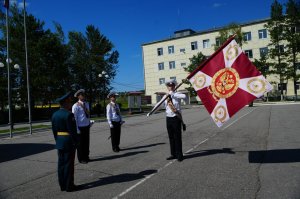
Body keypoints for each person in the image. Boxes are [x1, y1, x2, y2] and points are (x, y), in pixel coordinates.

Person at [51, 91, 79, 192]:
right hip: (68, 142)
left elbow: (54, 131)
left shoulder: (54, 115)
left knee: (61, 164)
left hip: (60, 142)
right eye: (69, 102)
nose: (70, 104)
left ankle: (62, 185)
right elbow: (72, 131)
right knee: (69, 165)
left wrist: (58, 141)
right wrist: (76, 142)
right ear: (66, 103)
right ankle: (69, 186)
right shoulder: (69, 115)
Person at [164, 79, 186, 162]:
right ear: (167, 87)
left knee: (177, 137)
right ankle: (173, 154)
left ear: (174, 86)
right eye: (169, 86)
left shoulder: (177, 94)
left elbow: (184, 96)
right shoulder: (165, 96)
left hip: (176, 118)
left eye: (172, 85)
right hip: (168, 118)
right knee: (171, 137)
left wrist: (173, 94)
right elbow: (160, 105)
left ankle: (179, 154)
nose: (171, 87)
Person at [72, 89, 91, 164]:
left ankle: (86, 156)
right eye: (81, 95)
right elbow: (75, 118)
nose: (83, 96)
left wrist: (89, 122)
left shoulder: (86, 104)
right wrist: (77, 129)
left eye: (83, 94)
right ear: (78, 96)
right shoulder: (75, 105)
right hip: (80, 127)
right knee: (80, 144)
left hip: (86, 126)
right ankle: (81, 158)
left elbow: (88, 114)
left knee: (86, 143)